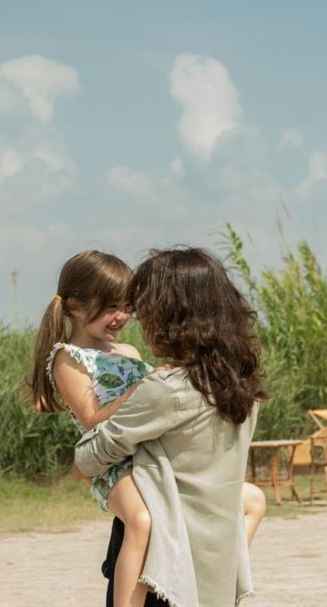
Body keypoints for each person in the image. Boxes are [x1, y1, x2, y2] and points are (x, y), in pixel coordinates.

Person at [30, 251, 266, 607]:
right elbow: (94, 421)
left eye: (128, 307)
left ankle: (215, 568)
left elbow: (151, 409)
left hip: (144, 458)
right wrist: (139, 394)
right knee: (141, 520)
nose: (124, 317)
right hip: (119, 464)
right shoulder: (69, 357)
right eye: (112, 307)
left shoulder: (131, 354)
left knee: (253, 500)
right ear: (76, 307)